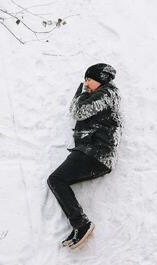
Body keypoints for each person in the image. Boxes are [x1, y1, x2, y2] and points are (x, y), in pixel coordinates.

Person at [47, 63, 122, 249]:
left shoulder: (109, 94)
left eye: (89, 79)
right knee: (57, 181)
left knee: (56, 179)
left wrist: (81, 92)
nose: (85, 83)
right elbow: (75, 110)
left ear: (101, 80)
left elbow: (78, 111)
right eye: (85, 79)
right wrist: (84, 92)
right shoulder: (98, 96)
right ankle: (79, 225)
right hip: (93, 153)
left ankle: (81, 224)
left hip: (96, 151)